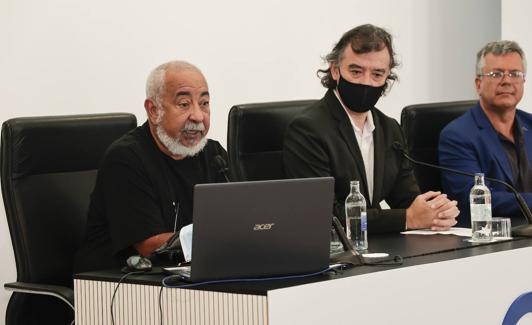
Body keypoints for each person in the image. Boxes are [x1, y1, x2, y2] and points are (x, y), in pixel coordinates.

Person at [283, 24, 459, 233]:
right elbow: (323, 215)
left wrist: (435, 211)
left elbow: (407, 200)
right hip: (333, 253)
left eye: (377, 74)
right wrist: (408, 219)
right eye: (356, 71)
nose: (366, 82)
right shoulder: (308, 129)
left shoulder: (389, 128)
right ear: (335, 70)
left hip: (380, 248)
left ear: (387, 78)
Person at [74, 61, 228, 272]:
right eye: (184, 104)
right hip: (119, 286)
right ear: (154, 110)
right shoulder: (126, 159)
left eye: (204, 103)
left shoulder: (214, 155)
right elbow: (150, 247)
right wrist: (224, 238)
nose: (198, 116)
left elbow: (240, 219)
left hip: (188, 275)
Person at [439, 40, 532, 227]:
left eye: (514, 74)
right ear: (478, 84)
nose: (506, 81)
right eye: (496, 74)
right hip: (489, 240)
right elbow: (478, 199)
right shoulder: (457, 136)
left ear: (523, 81)